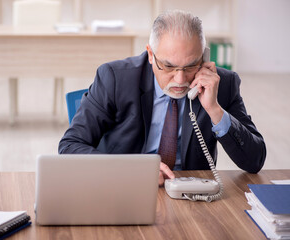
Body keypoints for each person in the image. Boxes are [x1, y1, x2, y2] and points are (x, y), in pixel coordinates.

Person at [58, 10, 266, 186]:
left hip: (191, 195)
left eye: (191, 65)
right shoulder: (114, 78)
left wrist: (215, 110)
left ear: (204, 57)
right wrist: (133, 169)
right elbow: (70, 146)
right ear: (150, 54)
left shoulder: (223, 84)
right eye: (168, 66)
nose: (180, 79)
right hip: (127, 186)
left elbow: (254, 161)